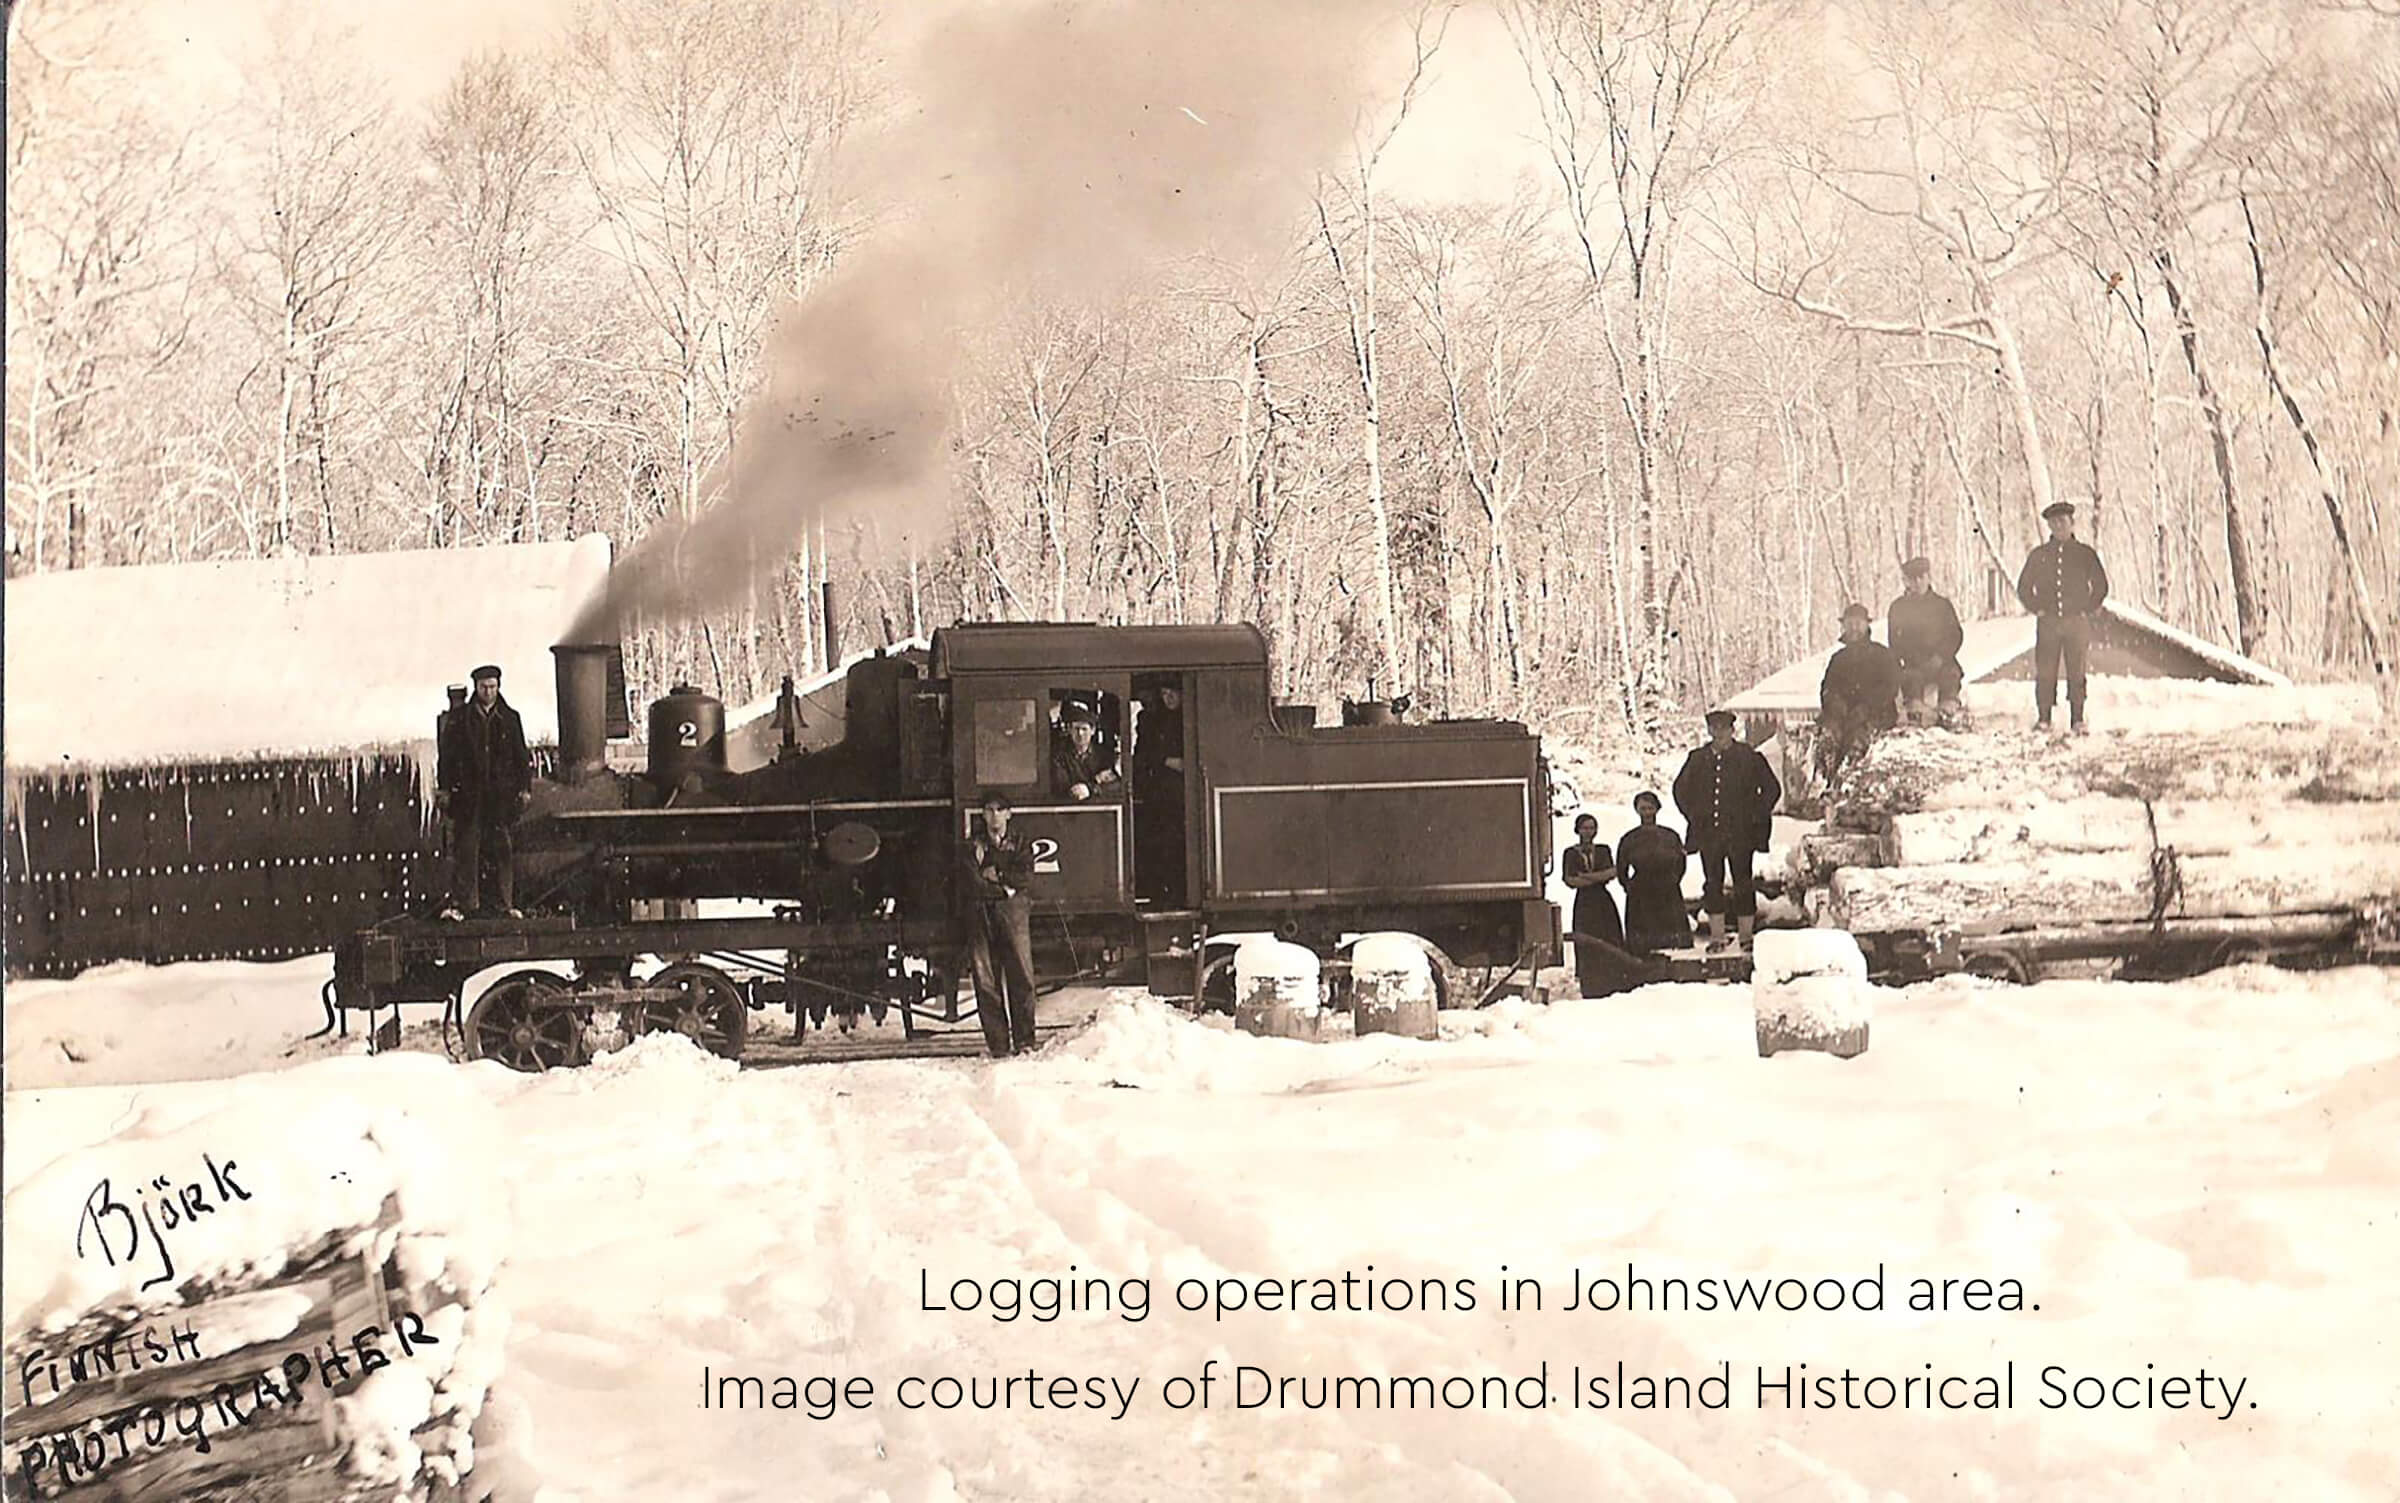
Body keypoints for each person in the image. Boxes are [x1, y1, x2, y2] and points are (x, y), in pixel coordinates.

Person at [1672, 709, 1781, 952]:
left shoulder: (1749, 757)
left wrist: (1755, 817)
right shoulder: (1697, 759)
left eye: (1723, 729)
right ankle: (1717, 937)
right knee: (1712, 883)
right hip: (1709, 835)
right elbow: (1680, 790)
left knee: (1743, 882)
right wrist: (1695, 815)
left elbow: (1772, 790)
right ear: (1709, 730)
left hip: (1741, 835)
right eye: (1714, 729)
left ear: (1733, 730)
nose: (1718, 734)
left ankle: (1746, 937)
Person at [437, 664, 532, 920]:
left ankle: (503, 904)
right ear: (476, 688)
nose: (488, 692)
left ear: (499, 686)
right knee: (467, 848)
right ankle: (466, 905)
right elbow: (446, 758)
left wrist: (524, 788)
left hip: (500, 797)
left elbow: (521, 757)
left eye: (492, 687)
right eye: (483, 687)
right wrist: (445, 789)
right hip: (469, 796)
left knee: (501, 848)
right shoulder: (460, 720)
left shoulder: (511, 718)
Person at [2015, 499, 2110, 735]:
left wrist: (2085, 609)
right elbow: (2024, 588)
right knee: (2046, 671)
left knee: (2076, 671)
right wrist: (2037, 608)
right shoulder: (2039, 555)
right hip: (2048, 623)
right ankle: (2044, 718)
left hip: (2076, 623)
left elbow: (2101, 586)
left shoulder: (2085, 554)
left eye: (2062, 521)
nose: (2058, 526)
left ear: (2072, 523)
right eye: (2053, 523)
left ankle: (2077, 719)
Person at [961, 792, 1040, 1057]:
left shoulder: (1021, 842)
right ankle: (999, 1046)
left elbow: (1025, 876)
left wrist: (997, 874)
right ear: (983, 815)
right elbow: (972, 880)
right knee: (986, 981)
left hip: (1013, 912)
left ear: (1009, 814)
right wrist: (1003, 889)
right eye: (989, 810)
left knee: (1022, 975)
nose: (994, 816)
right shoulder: (972, 844)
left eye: (999, 810)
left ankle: (1025, 1041)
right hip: (981, 912)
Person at [1816, 603, 1901, 784]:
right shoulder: (1837, 660)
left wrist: (1867, 708)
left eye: (1858, 623)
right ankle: (1822, 784)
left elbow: (1890, 687)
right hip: (1842, 716)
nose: (1854, 627)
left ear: (1866, 625)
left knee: (1857, 742)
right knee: (1827, 739)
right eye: (1850, 623)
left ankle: (1848, 786)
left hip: (1876, 716)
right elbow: (1827, 688)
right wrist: (1835, 705)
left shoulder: (1882, 655)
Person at [1888, 557, 1965, 728]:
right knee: (1910, 680)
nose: (1917, 583)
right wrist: (1904, 662)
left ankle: (1948, 714)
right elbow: (1894, 642)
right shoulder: (1898, 608)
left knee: (1950, 675)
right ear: (1905, 581)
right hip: (1913, 663)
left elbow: (1955, 635)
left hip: (1942, 660)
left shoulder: (1942, 605)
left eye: (1921, 578)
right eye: (1912, 579)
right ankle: (1915, 717)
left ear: (1928, 578)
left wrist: (1941, 656)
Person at [1616, 791, 1693, 954]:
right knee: (1644, 941)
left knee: (1671, 936)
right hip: (1641, 892)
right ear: (1637, 810)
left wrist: (1673, 880)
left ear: (1657, 809)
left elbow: (1681, 862)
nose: (1647, 813)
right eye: (1643, 808)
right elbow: (1621, 867)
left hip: (1667, 889)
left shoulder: (1670, 836)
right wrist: (1629, 886)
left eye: (1650, 808)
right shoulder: (1630, 839)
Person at [1131, 684, 1187, 906]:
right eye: (1164, 693)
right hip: (1162, 792)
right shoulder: (1154, 720)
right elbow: (1146, 753)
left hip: (1182, 795)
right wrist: (1167, 760)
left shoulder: (1186, 718)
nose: (1168, 698)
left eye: (1172, 692)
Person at [1562, 814, 1627, 997]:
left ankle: (1613, 979)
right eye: (1585, 828)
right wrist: (1597, 877)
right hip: (1584, 902)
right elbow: (1570, 880)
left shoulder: (1603, 850)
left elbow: (1612, 872)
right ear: (1578, 830)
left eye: (1591, 828)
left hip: (1602, 901)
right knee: (1587, 939)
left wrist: (1586, 877)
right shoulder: (1570, 853)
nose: (1588, 832)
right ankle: (1591, 982)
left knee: (1608, 936)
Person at [1052, 702, 1120, 800]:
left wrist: (1090, 789)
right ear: (1070, 730)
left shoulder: (1105, 755)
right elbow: (1063, 787)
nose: (1080, 733)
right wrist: (1097, 779)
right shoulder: (1059, 757)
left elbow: (1116, 785)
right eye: (1076, 729)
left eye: (1084, 729)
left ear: (1092, 731)